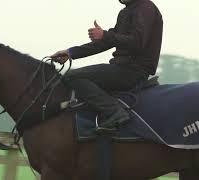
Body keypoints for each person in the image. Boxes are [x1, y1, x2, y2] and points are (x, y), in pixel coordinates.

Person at [51, 0, 163, 131]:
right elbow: (106, 42)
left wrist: (104, 35)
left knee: (71, 76)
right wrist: (70, 52)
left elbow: (137, 42)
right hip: (122, 68)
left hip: (132, 71)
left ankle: (114, 112)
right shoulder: (127, 11)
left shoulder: (145, 7)